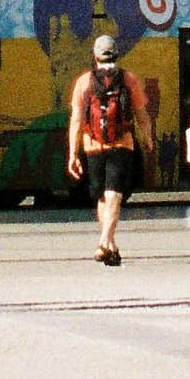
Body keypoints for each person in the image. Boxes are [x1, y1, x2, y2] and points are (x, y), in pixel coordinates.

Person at [66, 32, 156, 269]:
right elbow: (142, 115)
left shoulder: (84, 81)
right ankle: (106, 241)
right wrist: (148, 139)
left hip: (92, 144)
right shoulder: (128, 79)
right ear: (116, 53)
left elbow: (76, 119)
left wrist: (72, 153)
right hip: (121, 143)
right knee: (114, 193)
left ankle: (107, 244)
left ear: (95, 56)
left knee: (102, 196)